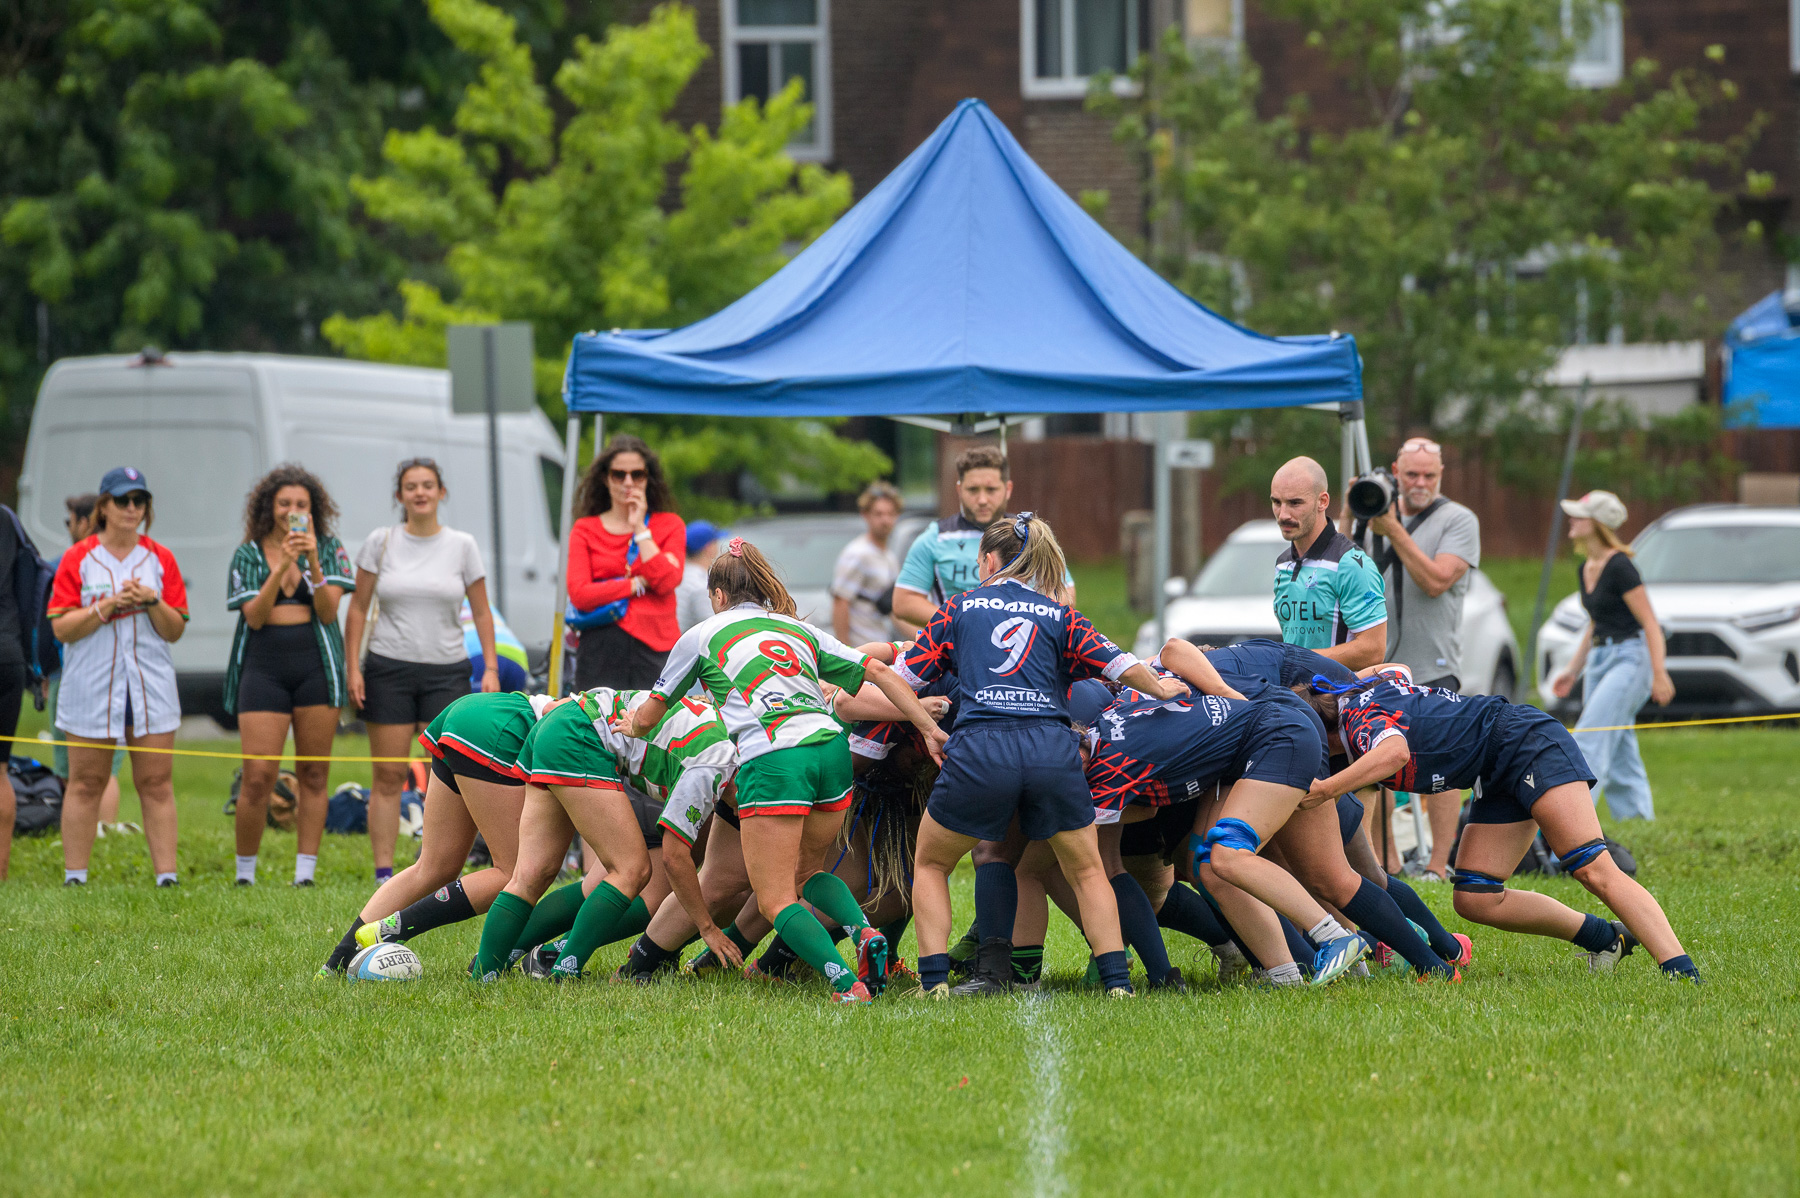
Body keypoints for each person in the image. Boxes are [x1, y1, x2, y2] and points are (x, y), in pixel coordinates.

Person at [614, 537, 944, 1003]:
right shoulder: (796, 630)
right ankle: (864, 934)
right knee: (808, 872)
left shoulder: (703, 634)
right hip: (830, 751)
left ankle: (848, 984)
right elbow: (880, 672)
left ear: (718, 597)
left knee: (774, 898)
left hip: (774, 758)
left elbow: (650, 715)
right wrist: (928, 727)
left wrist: (632, 724)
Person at [892, 513, 1186, 998]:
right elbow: (1122, 665)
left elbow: (903, 680)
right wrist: (1162, 687)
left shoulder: (958, 608)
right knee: (1088, 869)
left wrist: (926, 727)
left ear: (988, 560)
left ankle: (935, 983)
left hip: (980, 750)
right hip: (1053, 751)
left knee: (931, 864)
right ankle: (1118, 984)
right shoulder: (1060, 613)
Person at [1299, 668, 1699, 982]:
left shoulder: (1356, 717)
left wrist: (1326, 789)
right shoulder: (1359, 700)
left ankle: (1681, 972)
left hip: (1527, 741)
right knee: (1475, 897)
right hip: (1492, 770)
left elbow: (1395, 752)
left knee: (1592, 868)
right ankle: (1606, 939)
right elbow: (1395, 667)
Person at [892, 446, 1074, 972]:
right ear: (958, 490)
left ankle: (1000, 953)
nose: (982, 497)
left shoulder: (1034, 539)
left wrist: (978, 619)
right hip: (962, 683)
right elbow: (903, 602)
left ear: (1007, 489)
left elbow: (1066, 605)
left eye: (991, 488)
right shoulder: (935, 539)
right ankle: (1104, 967)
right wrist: (969, 625)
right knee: (1026, 847)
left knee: (1040, 850)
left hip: (1014, 696)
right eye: (973, 489)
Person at [318, 689, 551, 974]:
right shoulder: (609, 731)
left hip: (469, 711)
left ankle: (336, 964)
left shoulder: (611, 707)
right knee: (517, 874)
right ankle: (394, 929)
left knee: (434, 866)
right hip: (498, 725)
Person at [345, 459, 499, 884]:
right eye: (411, 486)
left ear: (441, 492)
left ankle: (438, 865)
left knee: (448, 774)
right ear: (400, 496)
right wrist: (352, 668)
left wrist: (489, 667)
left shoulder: (462, 545)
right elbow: (357, 608)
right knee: (388, 773)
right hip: (387, 668)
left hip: (446, 669)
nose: (420, 493)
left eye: (427, 485)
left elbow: (483, 611)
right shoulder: (381, 541)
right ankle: (383, 870)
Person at [1347, 437, 1482, 881]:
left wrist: (1395, 531)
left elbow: (1437, 579)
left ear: (1441, 474)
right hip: (1378, 666)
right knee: (1373, 761)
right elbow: (1339, 565)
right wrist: (1352, 513)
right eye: (1410, 475)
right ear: (1394, 473)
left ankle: (1439, 864)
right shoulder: (1371, 512)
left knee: (1444, 761)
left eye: (1429, 475)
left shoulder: (1458, 519)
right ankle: (1386, 861)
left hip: (1434, 661)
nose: (1420, 483)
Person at [48, 467, 189, 887]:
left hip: (148, 684)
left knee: (156, 782)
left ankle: (167, 876)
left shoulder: (160, 558)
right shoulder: (79, 557)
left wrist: (150, 600)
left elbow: (175, 628)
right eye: (123, 500)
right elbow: (60, 626)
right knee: (86, 781)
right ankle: (75, 876)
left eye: (139, 501)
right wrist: (105, 606)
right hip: (92, 683)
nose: (132, 508)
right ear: (103, 506)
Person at [223, 465, 355, 888]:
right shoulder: (248, 553)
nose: (292, 511)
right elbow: (255, 617)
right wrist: (282, 566)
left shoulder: (331, 549)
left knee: (314, 773)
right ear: (270, 507)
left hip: (316, 667)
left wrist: (312, 560)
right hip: (263, 669)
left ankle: (305, 874)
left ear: (313, 511)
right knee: (258, 774)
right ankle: (245, 874)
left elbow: (329, 612)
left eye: (301, 505)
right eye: (285, 504)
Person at [1550, 490, 1672, 821]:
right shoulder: (1586, 567)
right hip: (1601, 660)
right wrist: (1572, 671)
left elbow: (1650, 623)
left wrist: (1659, 674)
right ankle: (1637, 819)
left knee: (1591, 733)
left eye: (1579, 515)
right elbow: (1596, 624)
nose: (1572, 520)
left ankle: (1572, 821)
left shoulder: (1621, 566)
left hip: (1632, 659)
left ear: (1598, 524)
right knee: (1619, 743)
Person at [567, 435, 686, 690]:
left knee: (659, 726)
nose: (628, 482)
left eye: (637, 474)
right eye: (618, 474)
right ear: (605, 478)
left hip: (657, 647)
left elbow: (667, 581)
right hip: (600, 645)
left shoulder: (669, 525)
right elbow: (580, 594)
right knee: (597, 723)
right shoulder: (585, 529)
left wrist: (640, 528)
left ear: (648, 478)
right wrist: (636, 584)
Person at [45, 495, 127, 842]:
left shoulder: (59, 564)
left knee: (78, 771)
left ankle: (99, 831)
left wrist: (45, 672)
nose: (70, 529)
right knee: (100, 769)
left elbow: (47, 631)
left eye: (70, 521)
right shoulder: (126, 563)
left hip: (75, 677)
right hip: (115, 677)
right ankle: (97, 831)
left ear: (84, 520)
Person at [1270, 456, 1387, 669]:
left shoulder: (1351, 564)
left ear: (1322, 502)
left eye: (1295, 503)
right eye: (1277, 502)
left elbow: (1373, 650)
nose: (1283, 514)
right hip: (1296, 697)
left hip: (1340, 698)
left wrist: (1298, 661)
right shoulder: (1282, 563)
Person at [833, 482, 903, 645]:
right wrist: (845, 651)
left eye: (890, 514)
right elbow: (840, 601)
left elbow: (892, 607)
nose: (885, 520)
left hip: (880, 642)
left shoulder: (889, 556)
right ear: (866, 515)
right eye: (878, 514)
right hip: (860, 648)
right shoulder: (857, 553)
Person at [675, 520, 727, 632]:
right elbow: (715, 628)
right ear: (709, 548)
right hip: (687, 646)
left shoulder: (680, 575)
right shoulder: (701, 585)